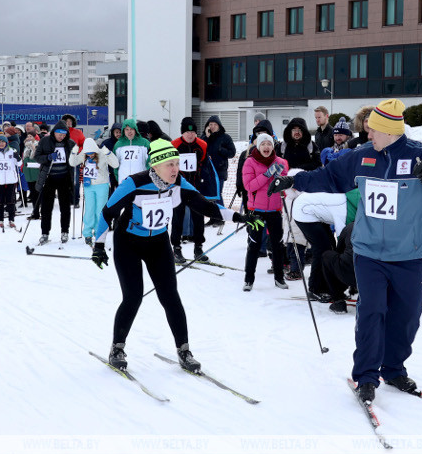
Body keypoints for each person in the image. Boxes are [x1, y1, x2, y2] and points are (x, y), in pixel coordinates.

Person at [268, 98, 422, 403]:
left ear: (389, 131)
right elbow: (328, 176)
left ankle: (394, 368)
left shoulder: (421, 156)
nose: (368, 134)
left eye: (373, 130)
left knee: (407, 316)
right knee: (371, 313)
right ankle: (367, 376)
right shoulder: (362, 156)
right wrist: (294, 179)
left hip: (408, 253)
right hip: (369, 251)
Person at [90, 140, 259, 372]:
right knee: (133, 296)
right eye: (170, 164)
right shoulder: (134, 183)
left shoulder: (178, 183)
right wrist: (98, 246)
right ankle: (117, 347)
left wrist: (240, 217)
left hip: (158, 243)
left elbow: (206, 205)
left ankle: (184, 350)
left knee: (170, 296)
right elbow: (107, 212)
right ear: (155, 166)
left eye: (177, 163)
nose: (175, 169)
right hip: (128, 242)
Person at [241, 133, 289, 291]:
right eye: (263, 144)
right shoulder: (250, 162)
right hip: (257, 210)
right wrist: (267, 174)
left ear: (273, 146)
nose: (266, 147)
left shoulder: (281, 162)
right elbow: (249, 186)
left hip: (275, 209)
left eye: (269, 144)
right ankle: (249, 279)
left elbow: (284, 186)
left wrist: (279, 179)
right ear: (258, 146)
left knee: (277, 244)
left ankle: (279, 277)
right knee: (254, 244)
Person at [170, 117, 218, 263]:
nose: (190, 135)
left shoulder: (202, 145)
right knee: (178, 218)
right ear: (182, 133)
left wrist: (205, 183)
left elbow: (205, 165)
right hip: (179, 188)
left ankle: (198, 248)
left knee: (198, 218)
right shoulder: (174, 145)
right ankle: (176, 248)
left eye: (193, 132)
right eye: (187, 132)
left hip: (196, 188)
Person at [34, 120, 76, 244]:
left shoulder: (69, 143)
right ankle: (45, 233)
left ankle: (65, 231)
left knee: (65, 207)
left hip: (64, 178)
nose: (61, 136)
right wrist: (48, 157)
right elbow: (37, 157)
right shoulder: (45, 141)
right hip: (49, 178)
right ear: (54, 132)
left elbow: (74, 159)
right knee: (47, 207)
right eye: (59, 134)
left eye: (64, 134)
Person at [70, 138, 118, 246]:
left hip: (102, 185)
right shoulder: (84, 153)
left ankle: (98, 232)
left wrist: (108, 153)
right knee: (89, 210)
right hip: (89, 186)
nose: (90, 155)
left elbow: (115, 164)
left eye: (92, 154)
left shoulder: (102, 153)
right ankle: (87, 234)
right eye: (88, 154)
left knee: (100, 211)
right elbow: (73, 162)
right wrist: (74, 152)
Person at [200, 115, 236, 210]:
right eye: (210, 124)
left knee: (217, 194)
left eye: (215, 124)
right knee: (210, 195)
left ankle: (221, 216)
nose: (212, 126)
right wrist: (207, 137)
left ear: (219, 125)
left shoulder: (225, 137)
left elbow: (232, 153)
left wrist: (221, 150)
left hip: (220, 170)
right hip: (207, 172)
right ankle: (213, 217)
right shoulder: (204, 137)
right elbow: (200, 150)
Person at [322, 222, 357, 314]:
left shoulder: (351, 226)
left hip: (352, 273)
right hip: (378, 274)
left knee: (328, 256)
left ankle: (338, 301)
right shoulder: (384, 227)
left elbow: (340, 250)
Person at [113, 119, 150, 184]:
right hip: (123, 180)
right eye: (127, 129)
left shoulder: (145, 143)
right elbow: (115, 164)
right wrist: (118, 176)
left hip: (140, 180)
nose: (129, 132)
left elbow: (150, 161)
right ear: (123, 131)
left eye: (131, 129)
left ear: (135, 130)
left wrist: (147, 176)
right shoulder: (118, 145)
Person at [22, 132, 41, 219]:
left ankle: (37, 212)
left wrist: (34, 148)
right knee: (33, 193)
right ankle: (35, 212)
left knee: (36, 193)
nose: (29, 138)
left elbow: (37, 157)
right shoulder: (26, 147)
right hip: (28, 171)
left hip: (35, 171)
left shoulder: (37, 145)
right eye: (28, 136)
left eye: (31, 136)